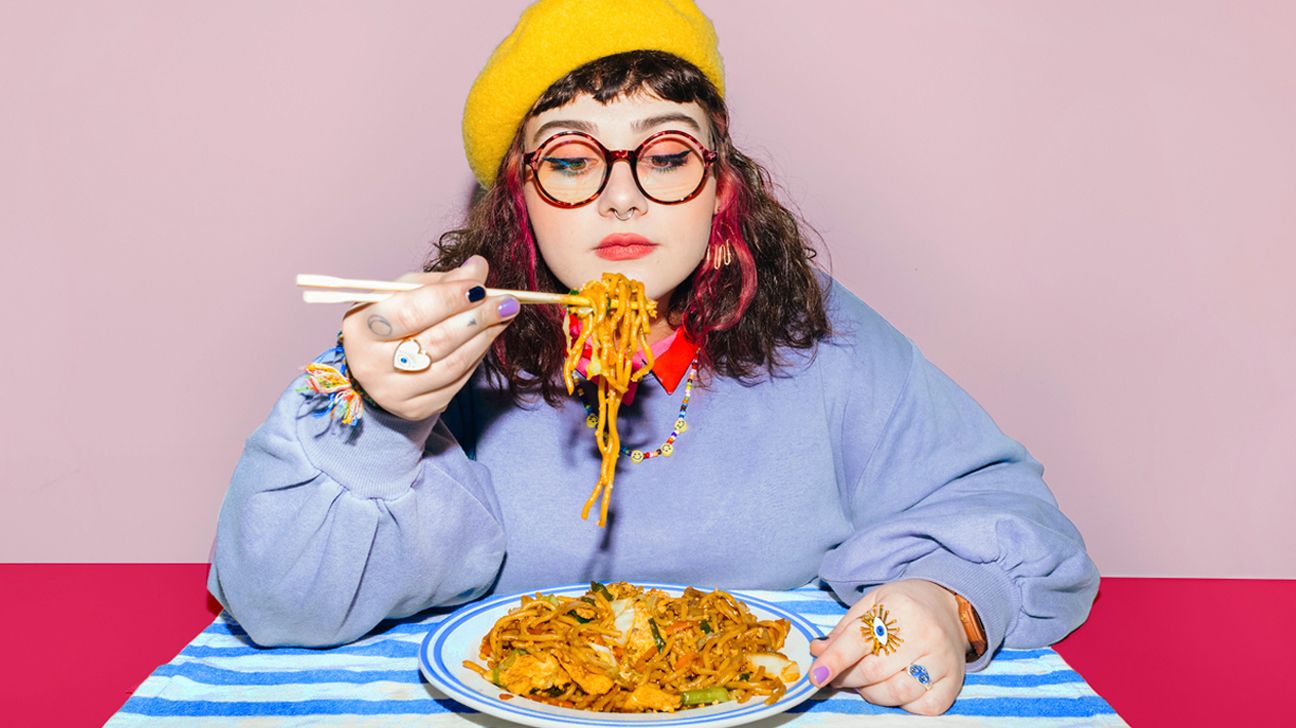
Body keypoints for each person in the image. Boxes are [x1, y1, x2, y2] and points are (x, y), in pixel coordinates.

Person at [208, 0, 1099, 716]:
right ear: (521, 202)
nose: (623, 198)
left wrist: (950, 603)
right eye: (570, 160)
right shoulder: (441, 352)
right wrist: (376, 414)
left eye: (666, 154)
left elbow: (1007, 514)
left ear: (719, 186)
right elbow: (282, 602)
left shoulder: (825, 339)